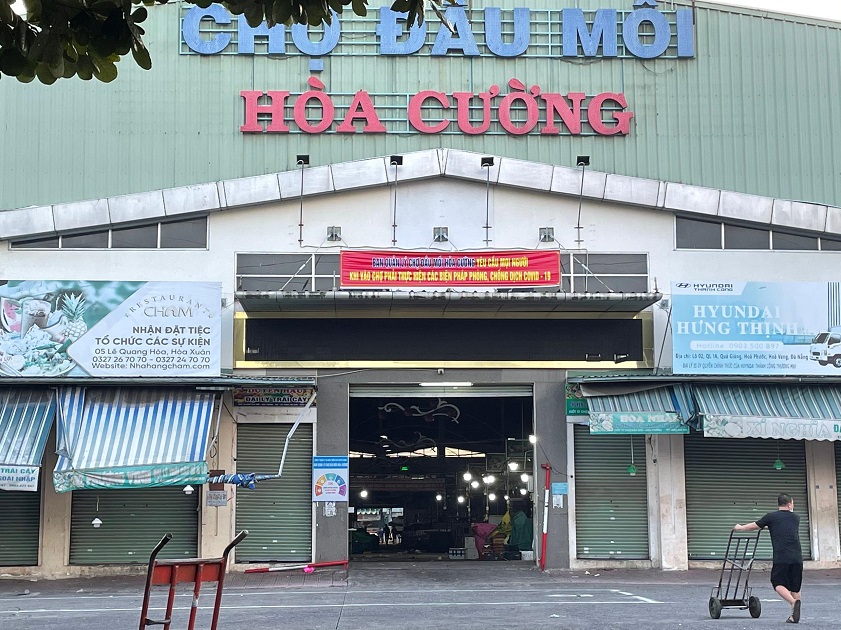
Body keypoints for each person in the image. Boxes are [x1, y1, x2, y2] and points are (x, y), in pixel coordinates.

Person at [734, 493, 803, 624]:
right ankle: (794, 616)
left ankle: (793, 603)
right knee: (795, 587)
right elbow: (783, 526)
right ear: (789, 504)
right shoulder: (796, 518)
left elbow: (753, 526)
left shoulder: (771, 517)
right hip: (797, 557)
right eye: (793, 503)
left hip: (782, 557)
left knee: (777, 583)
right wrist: (769, 525)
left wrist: (739, 527)